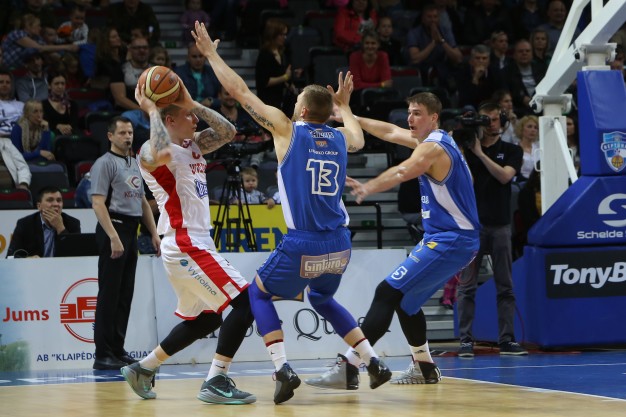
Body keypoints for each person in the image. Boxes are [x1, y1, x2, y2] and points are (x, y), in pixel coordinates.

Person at [193, 21, 392, 404]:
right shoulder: (340, 137)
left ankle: (282, 368)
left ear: (300, 109)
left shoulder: (288, 130)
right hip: (340, 243)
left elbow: (240, 92)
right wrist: (346, 107)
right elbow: (358, 138)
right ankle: (372, 361)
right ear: (326, 113)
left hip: (304, 241)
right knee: (322, 299)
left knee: (258, 295)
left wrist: (212, 55)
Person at [304, 91, 480, 387]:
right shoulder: (433, 141)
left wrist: (368, 187)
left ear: (434, 118)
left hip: (452, 239)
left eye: (417, 113)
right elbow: (389, 131)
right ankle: (424, 366)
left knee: (387, 292)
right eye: (409, 112)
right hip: (449, 237)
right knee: (407, 303)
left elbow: (403, 171)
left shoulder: (432, 148)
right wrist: (350, 116)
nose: (410, 118)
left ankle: (349, 366)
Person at [119, 74, 257, 405]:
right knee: (247, 303)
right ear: (169, 121)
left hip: (193, 243)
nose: (195, 119)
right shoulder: (149, 150)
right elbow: (158, 150)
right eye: (188, 116)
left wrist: (190, 102)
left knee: (208, 317)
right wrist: (152, 110)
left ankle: (143, 368)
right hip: (184, 242)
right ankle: (216, 380)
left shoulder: (192, 144)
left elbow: (228, 132)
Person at [456, 101, 528, 357]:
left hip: (500, 225)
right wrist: (466, 147)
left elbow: (505, 176)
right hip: (472, 226)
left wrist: (480, 153)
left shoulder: (511, 149)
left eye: (495, 119)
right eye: (485, 119)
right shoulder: (465, 150)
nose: (490, 124)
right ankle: (465, 340)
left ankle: (507, 340)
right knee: (467, 287)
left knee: (505, 286)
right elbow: (464, 180)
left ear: (503, 121)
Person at [90, 115, 161, 371]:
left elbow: (142, 202)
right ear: (110, 136)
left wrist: (153, 233)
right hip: (114, 227)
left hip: (132, 230)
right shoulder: (104, 163)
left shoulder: (133, 163)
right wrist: (113, 236)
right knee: (109, 295)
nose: (128, 137)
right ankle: (102, 354)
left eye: (130, 132)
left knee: (124, 295)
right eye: (122, 133)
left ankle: (117, 349)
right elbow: (98, 203)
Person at [7, 185, 81, 258]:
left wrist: (60, 228)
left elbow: (77, 255)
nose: (56, 204)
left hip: (62, 266)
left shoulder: (73, 223)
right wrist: (28, 259)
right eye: (50, 200)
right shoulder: (25, 224)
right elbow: (10, 256)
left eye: (59, 200)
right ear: (39, 206)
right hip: (34, 266)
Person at [254, 19, 301, 117]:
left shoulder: (282, 53)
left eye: (285, 34)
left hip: (280, 101)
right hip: (267, 103)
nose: (285, 37)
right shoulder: (265, 55)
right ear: (273, 35)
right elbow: (264, 82)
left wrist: (291, 77)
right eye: (282, 35)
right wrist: (285, 77)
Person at [349, 29, 392, 109]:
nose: (370, 46)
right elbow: (356, 85)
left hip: (378, 96)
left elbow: (387, 83)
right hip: (358, 96)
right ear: (362, 44)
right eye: (367, 43)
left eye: (373, 43)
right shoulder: (354, 57)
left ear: (378, 45)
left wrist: (382, 85)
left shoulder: (383, 56)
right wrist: (380, 84)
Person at [174, 43, 221, 112]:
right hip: (186, 111)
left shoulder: (213, 72)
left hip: (210, 111)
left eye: (201, 56)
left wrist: (211, 100)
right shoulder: (178, 73)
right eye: (194, 56)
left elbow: (221, 98)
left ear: (205, 57)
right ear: (188, 57)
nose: (198, 60)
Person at [109, 36, 150, 111]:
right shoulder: (120, 69)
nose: (142, 50)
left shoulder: (158, 69)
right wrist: (144, 111)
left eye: (145, 48)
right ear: (130, 50)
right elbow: (120, 99)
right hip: (128, 112)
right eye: (137, 48)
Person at [42, 72, 79, 137]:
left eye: (63, 83)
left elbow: (74, 124)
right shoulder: (43, 105)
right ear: (49, 86)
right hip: (51, 137)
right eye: (56, 83)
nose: (60, 86)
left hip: (70, 136)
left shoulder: (72, 104)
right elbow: (45, 124)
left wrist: (67, 128)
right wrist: (58, 126)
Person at [0, 70, 25, 139]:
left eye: (7, 82)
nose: (4, 85)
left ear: (11, 86)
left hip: (19, 139)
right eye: (1, 82)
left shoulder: (22, 105)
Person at [514, 114, 539, 181]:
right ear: (521, 129)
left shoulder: (539, 149)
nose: (533, 130)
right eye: (529, 126)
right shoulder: (514, 149)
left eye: (535, 128)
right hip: (520, 182)